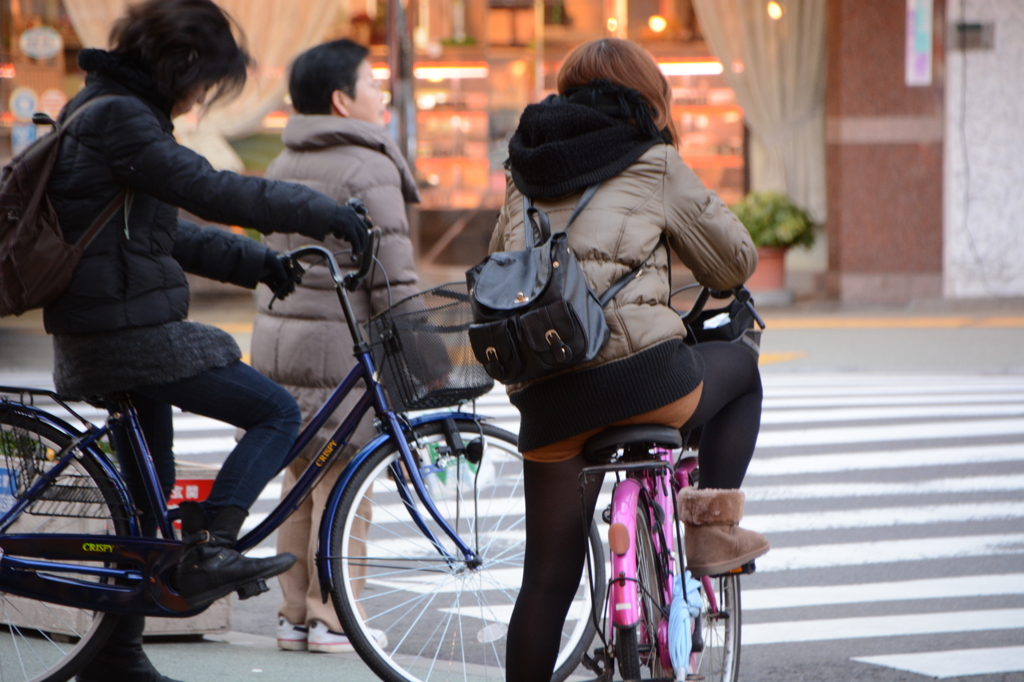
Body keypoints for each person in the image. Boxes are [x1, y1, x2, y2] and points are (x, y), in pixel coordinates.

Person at [42, 2, 369, 681]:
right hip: (125, 333)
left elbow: (163, 233)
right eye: (206, 81)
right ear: (181, 67)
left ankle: (118, 655)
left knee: (143, 501)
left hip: (109, 325)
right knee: (276, 410)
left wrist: (258, 263)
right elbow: (211, 190)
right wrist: (327, 214)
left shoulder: (106, 110)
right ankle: (213, 546)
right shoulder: (119, 118)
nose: (202, 98)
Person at [493, 38, 770, 680]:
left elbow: (499, 268)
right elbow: (736, 262)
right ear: (646, 97)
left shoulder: (521, 169)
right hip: (645, 382)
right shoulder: (654, 160)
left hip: (548, 400)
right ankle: (708, 525)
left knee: (546, 581)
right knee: (743, 370)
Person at [248, 39, 420, 654]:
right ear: (343, 99)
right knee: (346, 484)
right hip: (339, 352)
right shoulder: (367, 166)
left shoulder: (283, 160)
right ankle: (332, 616)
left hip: (277, 349)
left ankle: (293, 615)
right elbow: (393, 279)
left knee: (296, 484)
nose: (383, 94)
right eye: (373, 83)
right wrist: (421, 356)